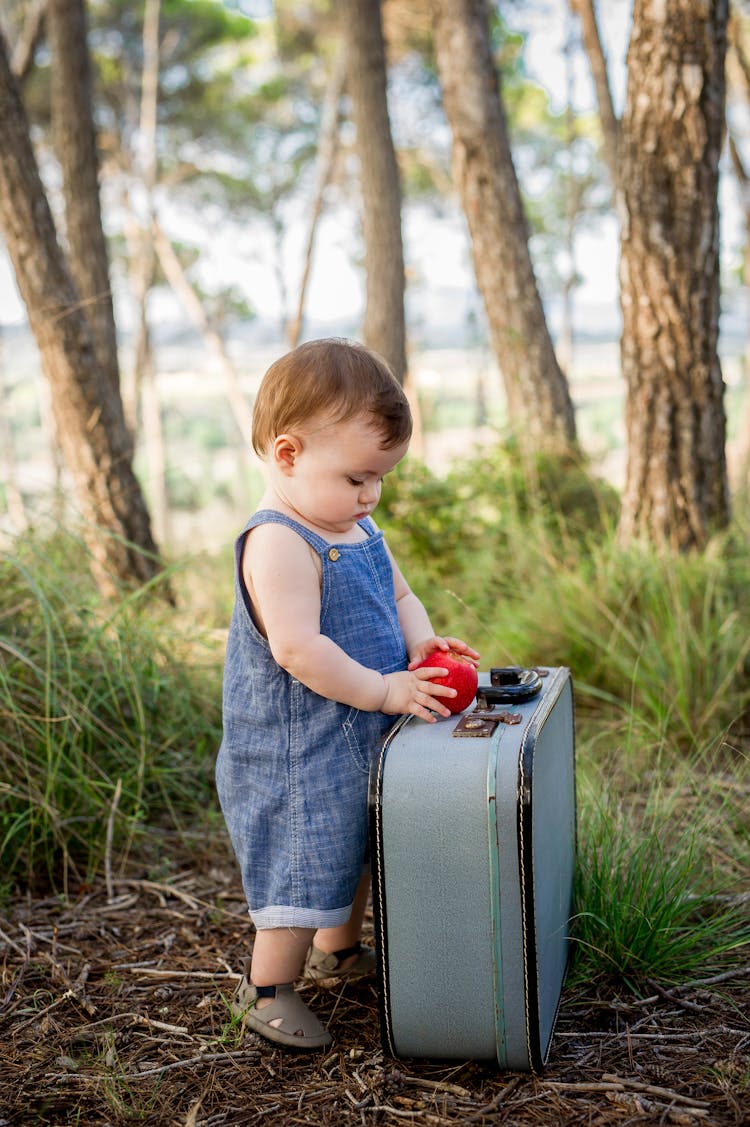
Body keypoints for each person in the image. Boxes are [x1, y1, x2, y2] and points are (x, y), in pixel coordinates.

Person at [216, 338, 479, 1050]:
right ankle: (267, 986)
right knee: (306, 859)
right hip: (296, 752)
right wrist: (389, 688)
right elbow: (298, 649)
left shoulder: (355, 524)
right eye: (358, 477)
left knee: (356, 845)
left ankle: (338, 949)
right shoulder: (278, 542)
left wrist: (421, 643)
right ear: (288, 454)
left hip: (359, 732)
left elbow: (398, 593)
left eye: (380, 479)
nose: (371, 494)